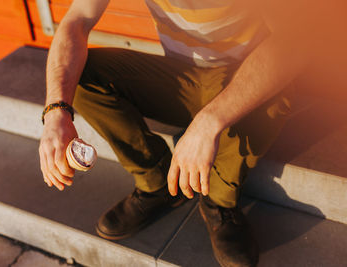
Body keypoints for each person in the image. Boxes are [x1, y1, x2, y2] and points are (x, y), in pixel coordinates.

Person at [38, 0, 346, 266]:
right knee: (78, 76)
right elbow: (76, 21)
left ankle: (218, 202)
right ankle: (155, 181)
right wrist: (55, 112)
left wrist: (208, 122)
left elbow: (294, 42)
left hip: (243, 77)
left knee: (278, 95)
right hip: (179, 77)